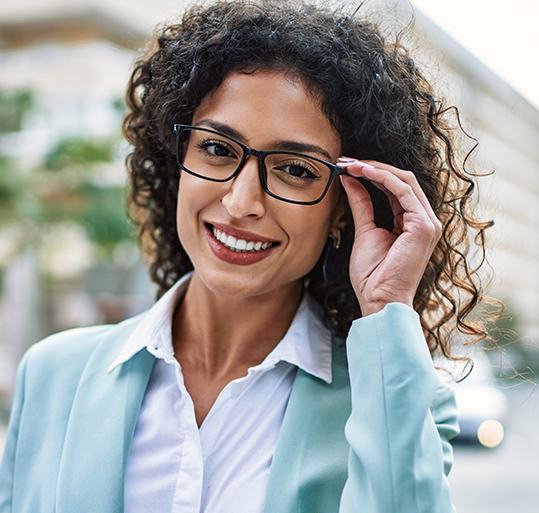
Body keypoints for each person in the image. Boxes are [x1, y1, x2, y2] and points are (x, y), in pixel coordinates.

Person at [0, 1, 493, 512]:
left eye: (295, 170)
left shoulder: (396, 406)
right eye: (217, 149)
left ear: (347, 206)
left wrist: (388, 307)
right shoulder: (53, 374)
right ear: (178, 162)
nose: (240, 203)